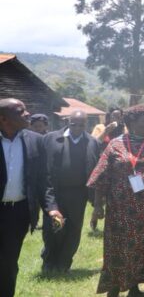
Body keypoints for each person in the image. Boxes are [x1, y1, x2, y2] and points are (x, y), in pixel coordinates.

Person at [87, 105, 144, 296]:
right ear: (131, 123)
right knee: (118, 246)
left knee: (143, 246)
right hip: (121, 209)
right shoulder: (115, 145)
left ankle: (134, 286)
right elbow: (101, 177)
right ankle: (113, 286)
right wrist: (97, 206)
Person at [0, 98, 63, 297]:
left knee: (9, 264)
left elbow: (44, 180)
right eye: (21, 111)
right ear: (3, 119)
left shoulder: (36, 141)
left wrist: (51, 207)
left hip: (17, 214)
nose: (27, 114)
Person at [40, 111, 101, 273]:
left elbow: (97, 172)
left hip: (78, 195)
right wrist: (49, 200)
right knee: (53, 228)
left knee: (73, 230)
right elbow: (44, 171)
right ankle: (49, 262)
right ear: (68, 121)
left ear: (86, 124)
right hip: (55, 193)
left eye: (81, 124)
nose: (77, 127)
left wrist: (97, 201)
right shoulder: (51, 139)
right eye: (74, 124)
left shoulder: (92, 142)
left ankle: (64, 264)